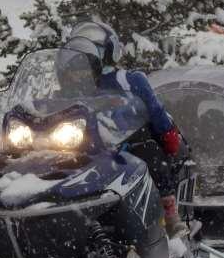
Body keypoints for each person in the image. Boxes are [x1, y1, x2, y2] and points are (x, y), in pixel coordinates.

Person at [61, 21, 187, 237]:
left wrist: (168, 138)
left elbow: (155, 111)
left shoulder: (129, 80)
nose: (82, 62)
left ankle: (169, 215)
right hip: (84, 149)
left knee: (151, 153)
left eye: (92, 50)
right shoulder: (72, 86)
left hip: (127, 146)